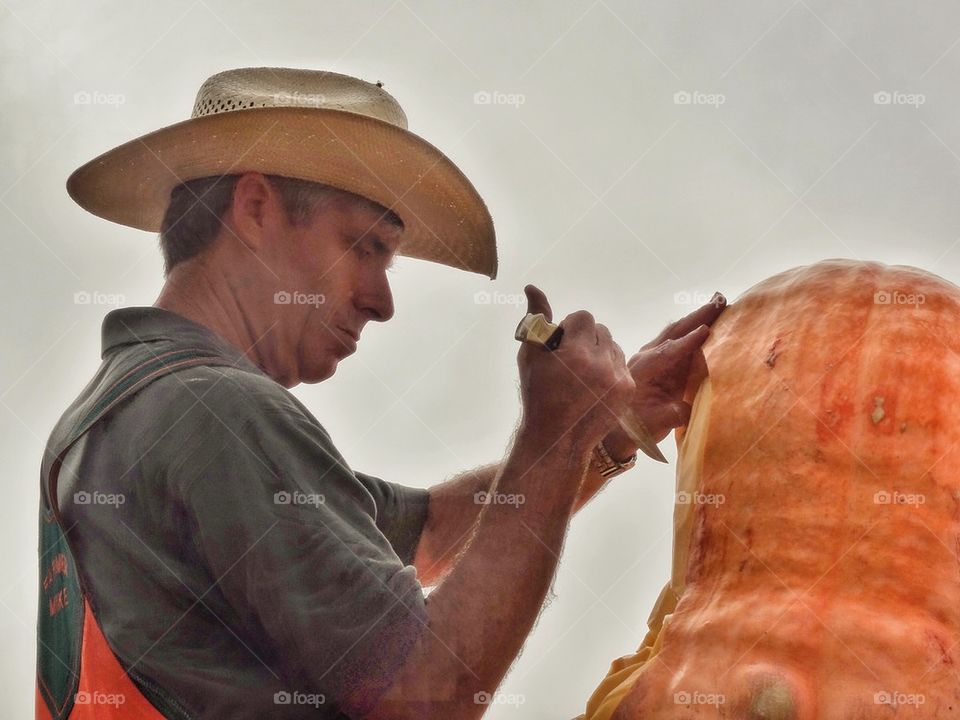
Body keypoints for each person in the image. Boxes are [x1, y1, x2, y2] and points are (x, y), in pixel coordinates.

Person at [37, 67, 726, 719]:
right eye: (364, 247)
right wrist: (554, 437)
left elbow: (425, 536)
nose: (382, 301)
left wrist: (600, 434)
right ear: (253, 207)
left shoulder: (122, 411)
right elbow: (426, 695)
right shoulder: (217, 412)